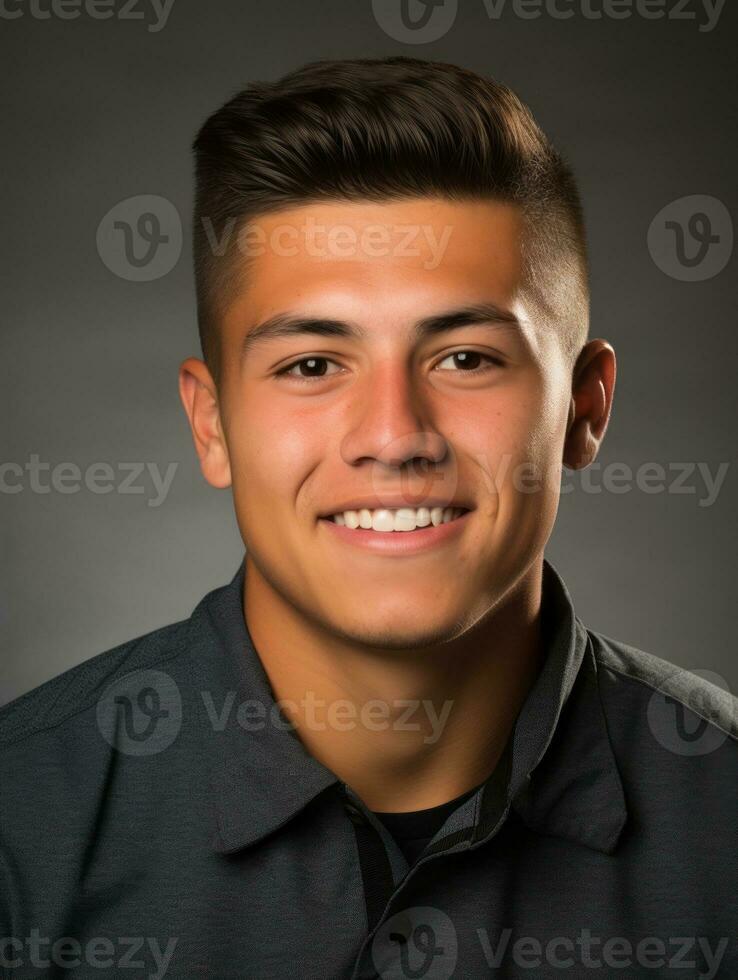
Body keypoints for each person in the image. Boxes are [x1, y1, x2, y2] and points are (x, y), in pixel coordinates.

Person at [1, 57, 735, 979]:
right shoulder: (18, 835)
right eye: (312, 365)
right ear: (212, 423)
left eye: (466, 358)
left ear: (585, 409)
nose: (393, 437)